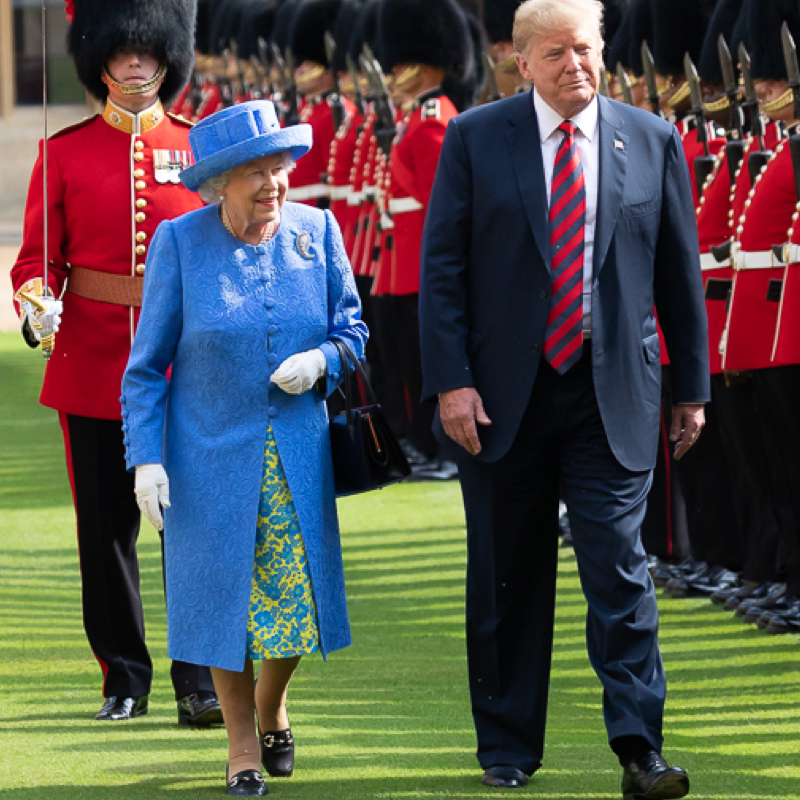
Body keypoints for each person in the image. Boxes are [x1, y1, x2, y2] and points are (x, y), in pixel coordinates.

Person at [419, 0, 708, 795]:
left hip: (610, 391)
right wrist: (450, 381)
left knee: (620, 568)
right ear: (521, 62)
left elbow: (678, 276)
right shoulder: (478, 140)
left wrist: (691, 388)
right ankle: (508, 747)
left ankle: (639, 749)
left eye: (585, 49)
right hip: (501, 397)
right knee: (508, 573)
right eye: (556, 54)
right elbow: (441, 270)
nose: (574, 65)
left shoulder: (651, 139)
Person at [121, 99, 368, 796]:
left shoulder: (318, 231)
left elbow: (353, 330)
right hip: (206, 457)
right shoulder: (180, 242)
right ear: (217, 184)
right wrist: (146, 458)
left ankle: (271, 702)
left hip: (296, 453)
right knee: (222, 601)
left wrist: (323, 361)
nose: (273, 184)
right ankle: (239, 747)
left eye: (279, 167)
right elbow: (145, 367)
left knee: (293, 605)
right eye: (255, 172)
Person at [11, 0, 221, 724]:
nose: (134, 61)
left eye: (147, 50)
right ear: (98, 57)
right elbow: (37, 258)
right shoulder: (62, 153)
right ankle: (123, 676)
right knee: (105, 534)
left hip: (182, 370)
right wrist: (38, 302)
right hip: (93, 365)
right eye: (121, 50)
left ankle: (197, 679)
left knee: (187, 529)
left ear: (168, 56)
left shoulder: (197, 150)